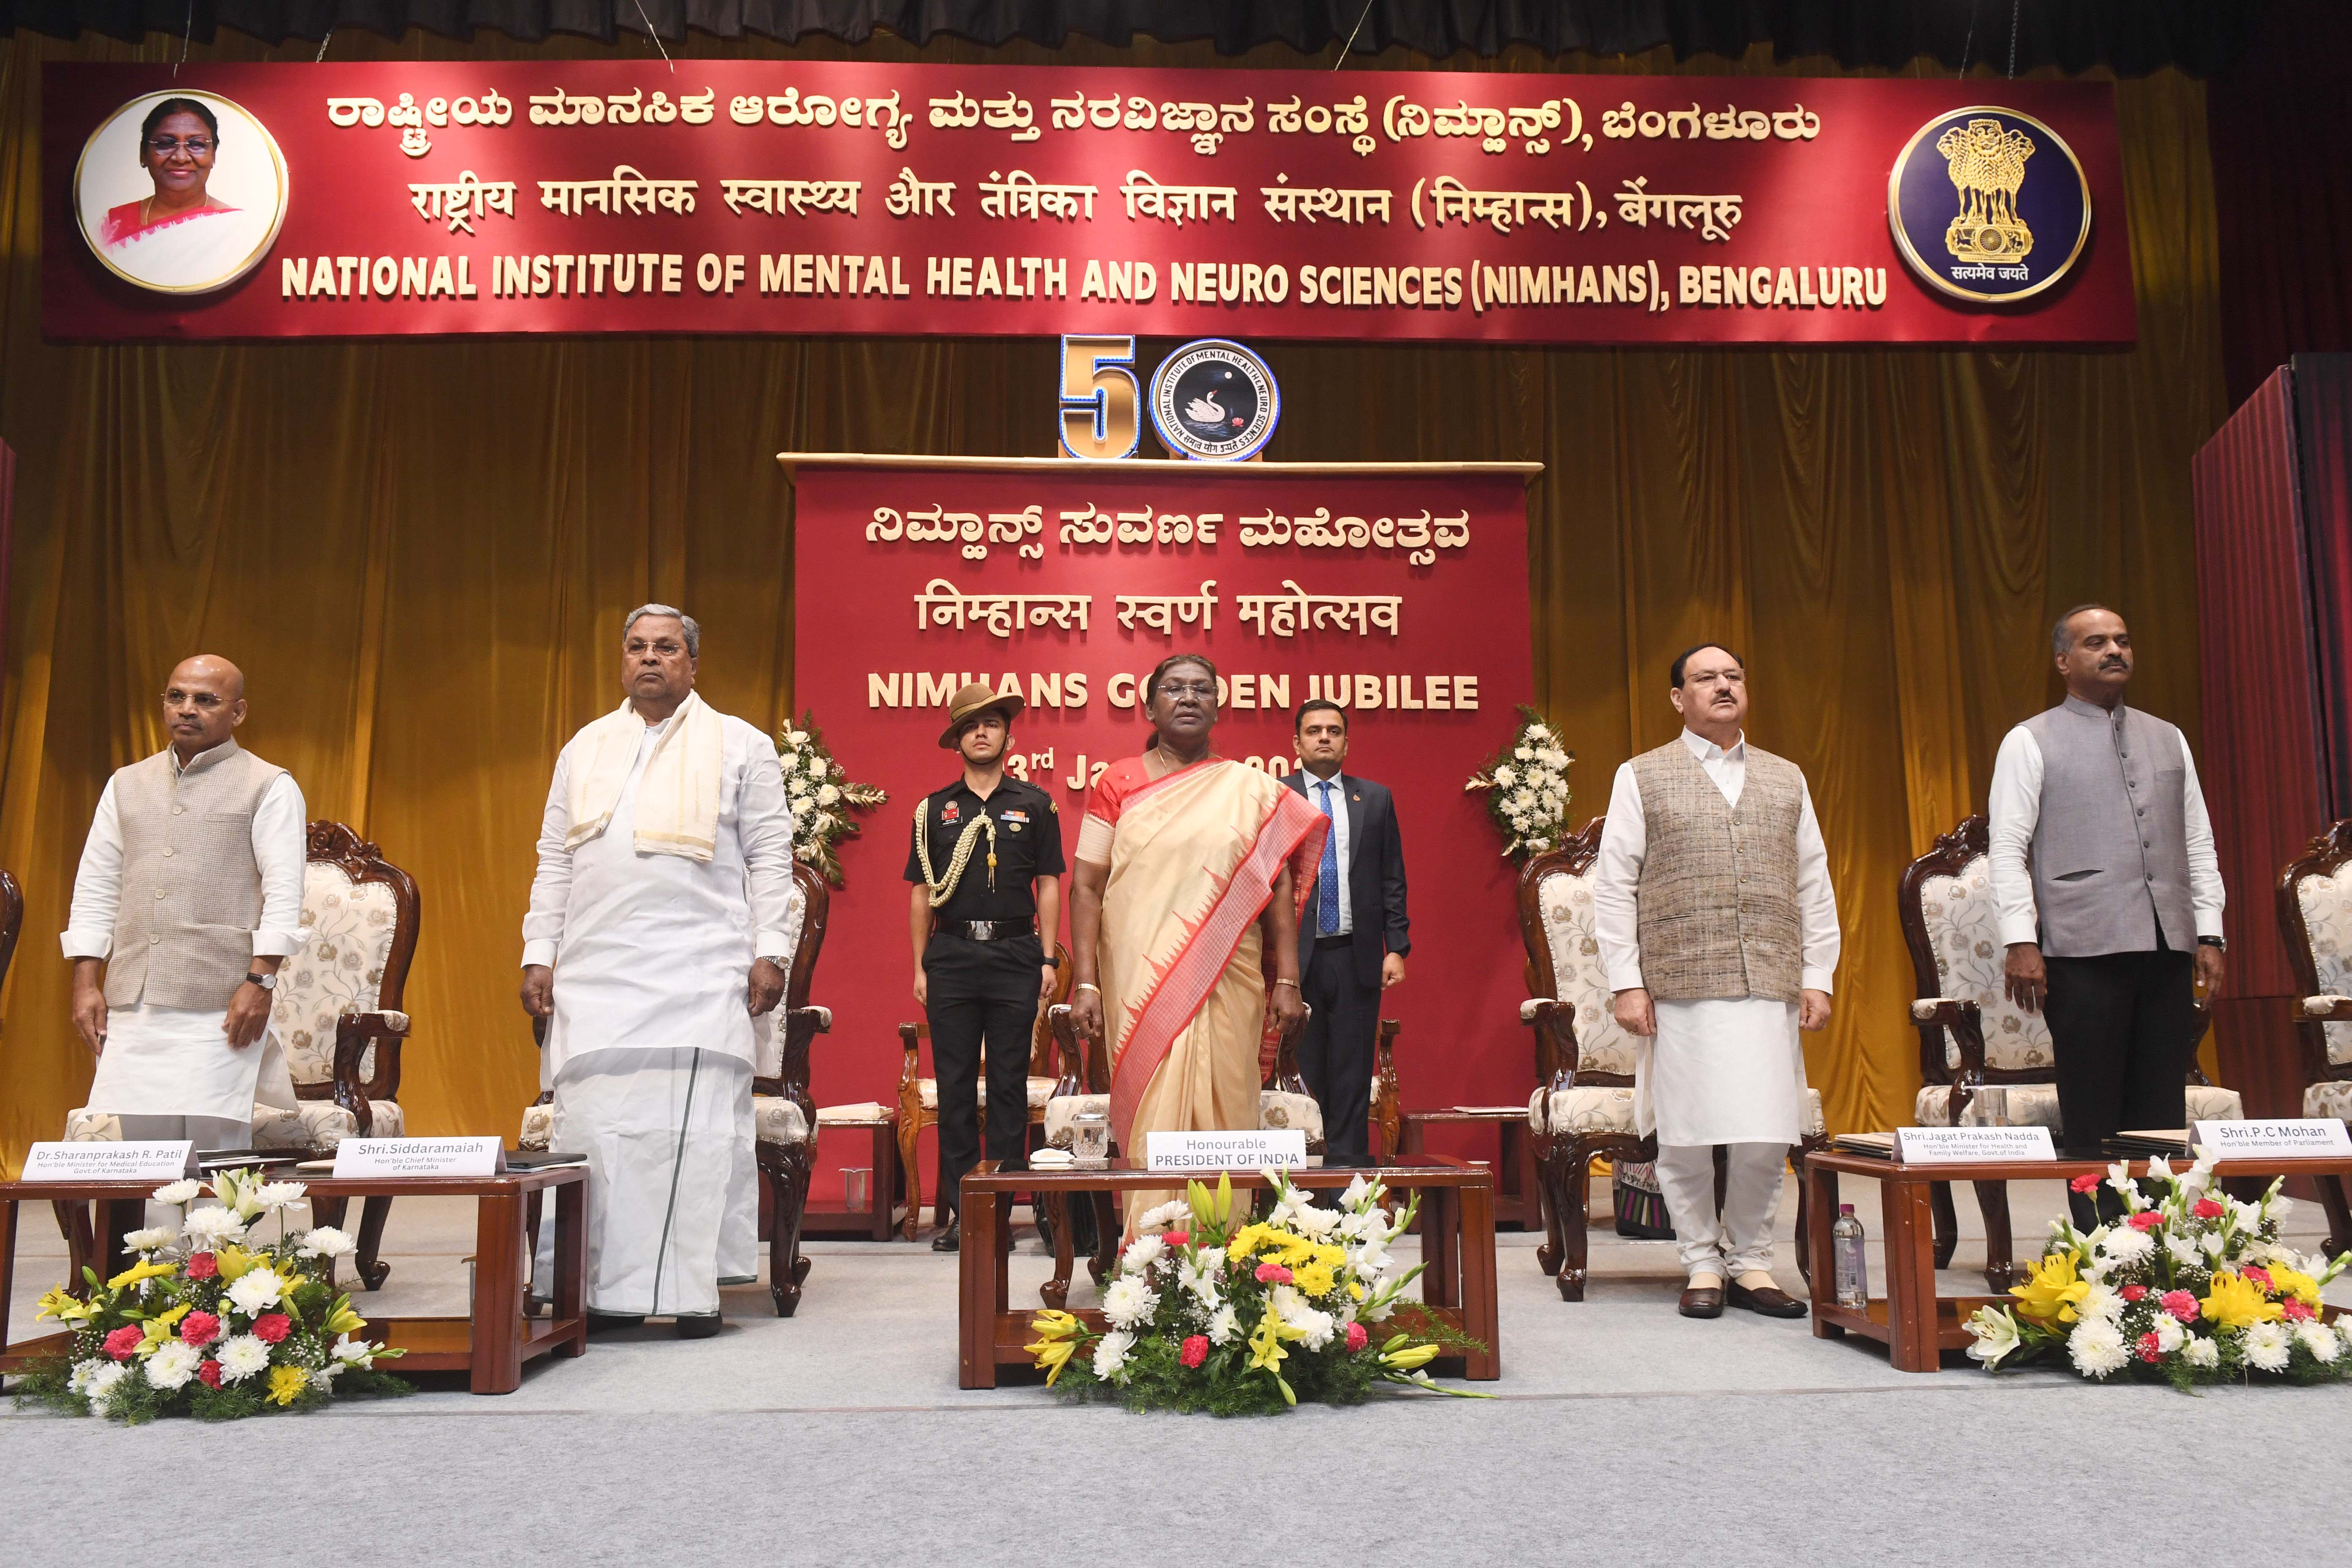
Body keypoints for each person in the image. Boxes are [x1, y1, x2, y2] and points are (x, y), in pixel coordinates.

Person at [520, 604, 797, 1337]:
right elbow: (554, 860)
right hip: (595, 972)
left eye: (667, 648)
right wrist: (538, 952)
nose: (651, 659)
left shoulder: (741, 744)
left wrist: (770, 950)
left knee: (689, 1135)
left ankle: (685, 1291)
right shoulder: (586, 746)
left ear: (693, 663)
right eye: (637, 647)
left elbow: (773, 858)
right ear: (621, 660)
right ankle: (600, 1292)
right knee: (600, 1131)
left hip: (699, 969)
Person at [1592, 644, 1840, 1320]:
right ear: (1679, 698)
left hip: (1768, 976)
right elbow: (1613, 887)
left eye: (1733, 676)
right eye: (1706, 678)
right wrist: (1626, 982)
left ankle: (1752, 1263)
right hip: (1680, 981)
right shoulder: (1641, 776)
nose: (1723, 686)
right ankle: (1701, 1260)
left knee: (1767, 1128)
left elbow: (1813, 883)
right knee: (1689, 1130)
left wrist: (1817, 974)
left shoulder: (1786, 777)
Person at [1067, 654, 1324, 1230]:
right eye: (1174, 689)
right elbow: (1085, 885)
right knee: (1152, 1109)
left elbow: (1278, 888)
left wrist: (1288, 979)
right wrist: (1085, 982)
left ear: (1218, 704)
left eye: (1202, 689)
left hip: (1230, 977)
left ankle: (1228, 1254)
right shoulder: (1116, 782)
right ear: (1150, 705)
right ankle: (1152, 1254)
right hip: (1141, 982)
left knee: (1227, 1104)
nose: (1188, 698)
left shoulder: (1251, 789)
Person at [1990, 605, 2224, 1219]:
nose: (2114, 650)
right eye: (2096, 642)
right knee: (2093, 1110)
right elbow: (2008, 848)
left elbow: (2196, 839)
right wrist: (2021, 940)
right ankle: (2099, 1247)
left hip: (2165, 946)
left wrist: (2210, 930)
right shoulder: (2029, 739)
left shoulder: (2167, 736)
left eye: (2122, 639)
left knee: (2159, 1111)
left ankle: (2157, 1248)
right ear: (2064, 661)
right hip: (2080, 949)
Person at [62, 655, 305, 1150]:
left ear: (237, 713)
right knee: (145, 1166)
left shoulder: (268, 785)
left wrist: (260, 981)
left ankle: (216, 1236)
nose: (187, 709)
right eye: (177, 696)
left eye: (205, 700)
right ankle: (149, 1236)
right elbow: (96, 885)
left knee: (219, 1166)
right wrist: (86, 981)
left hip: (221, 1002)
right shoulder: (126, 784)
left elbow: (284, 893)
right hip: (135, 1002)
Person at [907, 682, 1065, 1252]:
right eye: (972, 726)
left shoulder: (1035, 804)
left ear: (1008, 736)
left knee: (1007, 1087)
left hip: (1015, 956)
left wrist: (1049, 957)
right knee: (953, 1088)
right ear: (958, 740)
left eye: (993, 724)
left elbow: (1048, 885)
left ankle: (1001, 1209)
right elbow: (923, 892)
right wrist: (920, 966)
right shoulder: (933, 810)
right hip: (950, 957)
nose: (982, 733)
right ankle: (963, 1215)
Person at [1282, 698, 1408, 1166]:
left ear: (1347, 742)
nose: (1324, 738)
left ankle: (1346, 1191)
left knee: (1352, 1073)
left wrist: (1396, 947)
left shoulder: (1374, 798)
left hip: (1357, 956)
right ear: (1296, 743)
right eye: (1313, 731)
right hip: (1297, 957)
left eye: (1333, 731)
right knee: (1304, 1072)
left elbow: (1391, 877)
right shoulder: (1277, 796)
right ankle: (1302, 1192)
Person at [95, 98, 263, 285]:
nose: (181, 158)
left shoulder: (238, 229)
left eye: (196, 144)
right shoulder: (112, 224)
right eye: (166, 144)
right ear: (143, 155)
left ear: (213, 156)